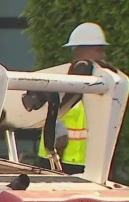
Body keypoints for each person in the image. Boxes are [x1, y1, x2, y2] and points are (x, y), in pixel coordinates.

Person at [37, 22, 109, 175]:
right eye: (99, 50)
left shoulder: (98, 85)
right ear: (81, 50)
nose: (103, 56)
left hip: (84, 166)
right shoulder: (64, 81)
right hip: (56, 164)